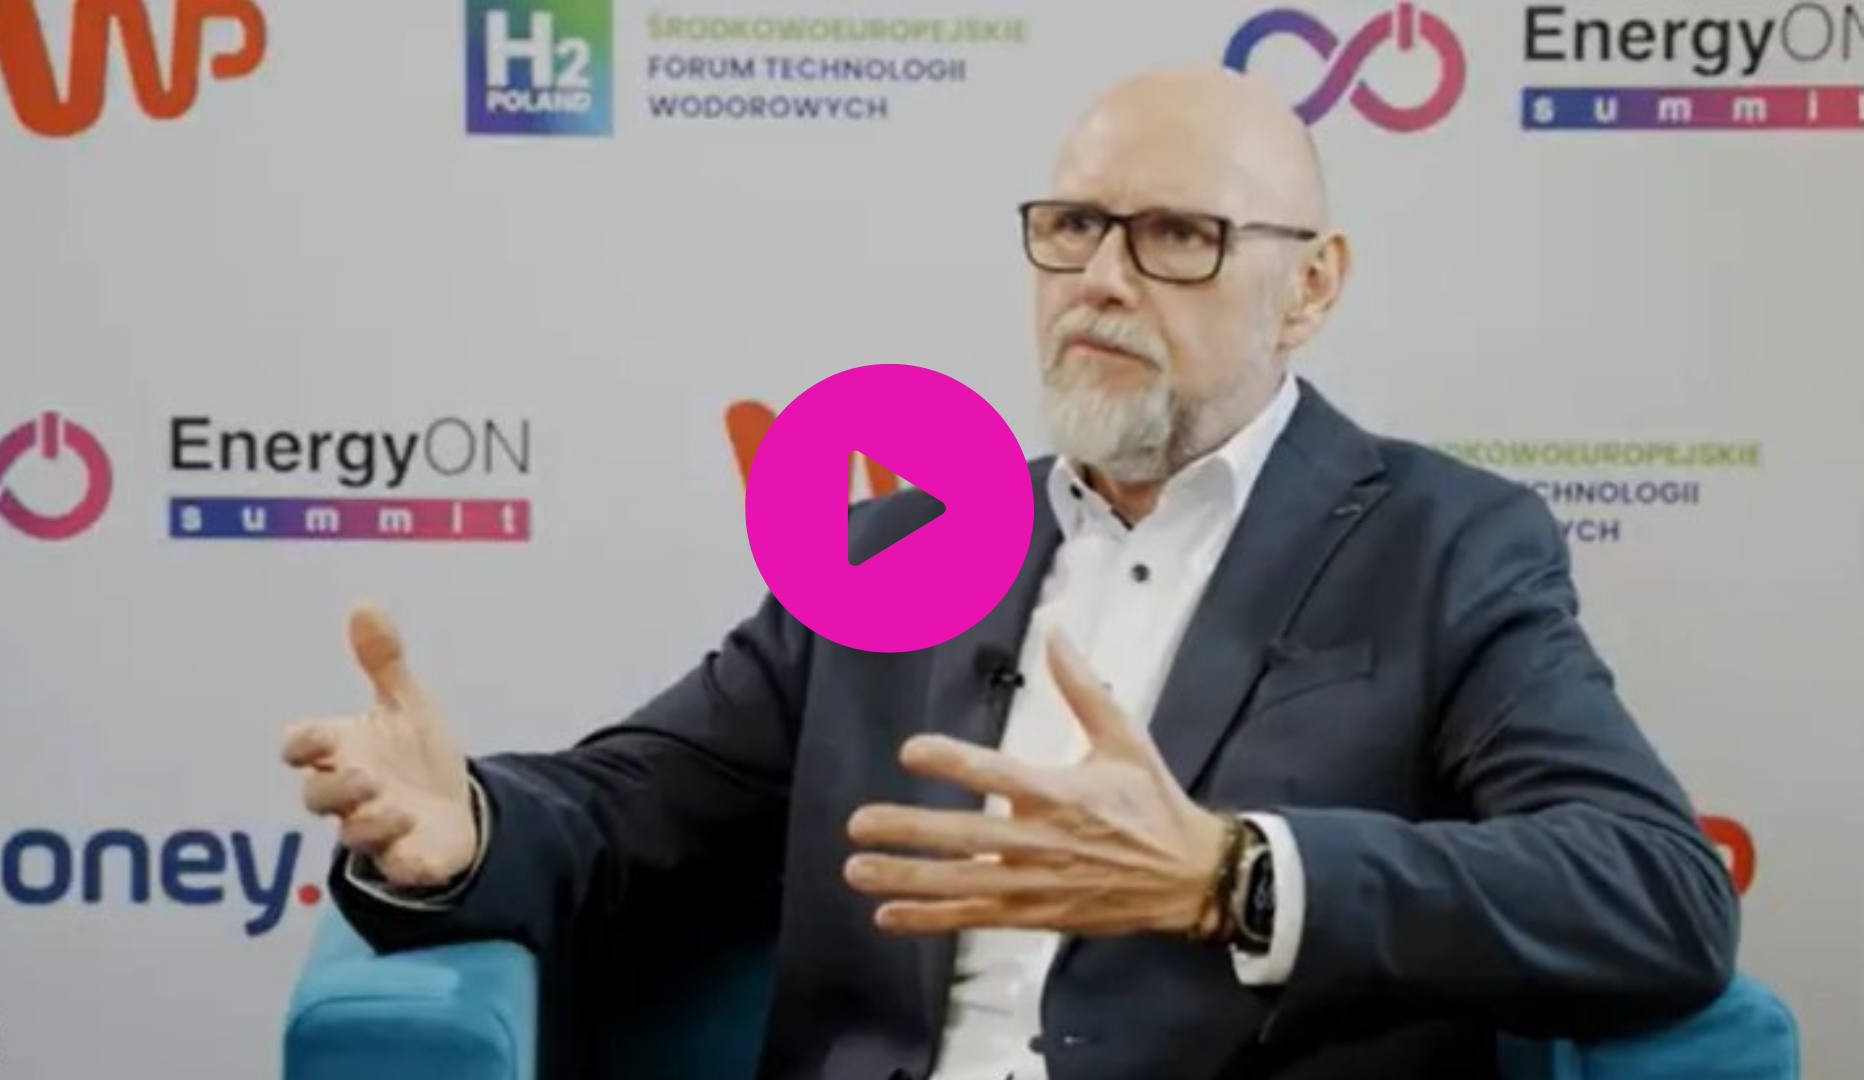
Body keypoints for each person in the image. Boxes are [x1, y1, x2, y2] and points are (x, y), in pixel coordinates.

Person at [282, 65, 1738, 1080]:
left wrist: (1232, 877)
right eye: (1074, 227)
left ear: (1309, 284)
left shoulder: (1441, 544)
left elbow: (1657, 891)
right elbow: (634, 809)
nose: (1101, 276)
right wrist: (463, 826)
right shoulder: (909, 548)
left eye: (1178, 236)